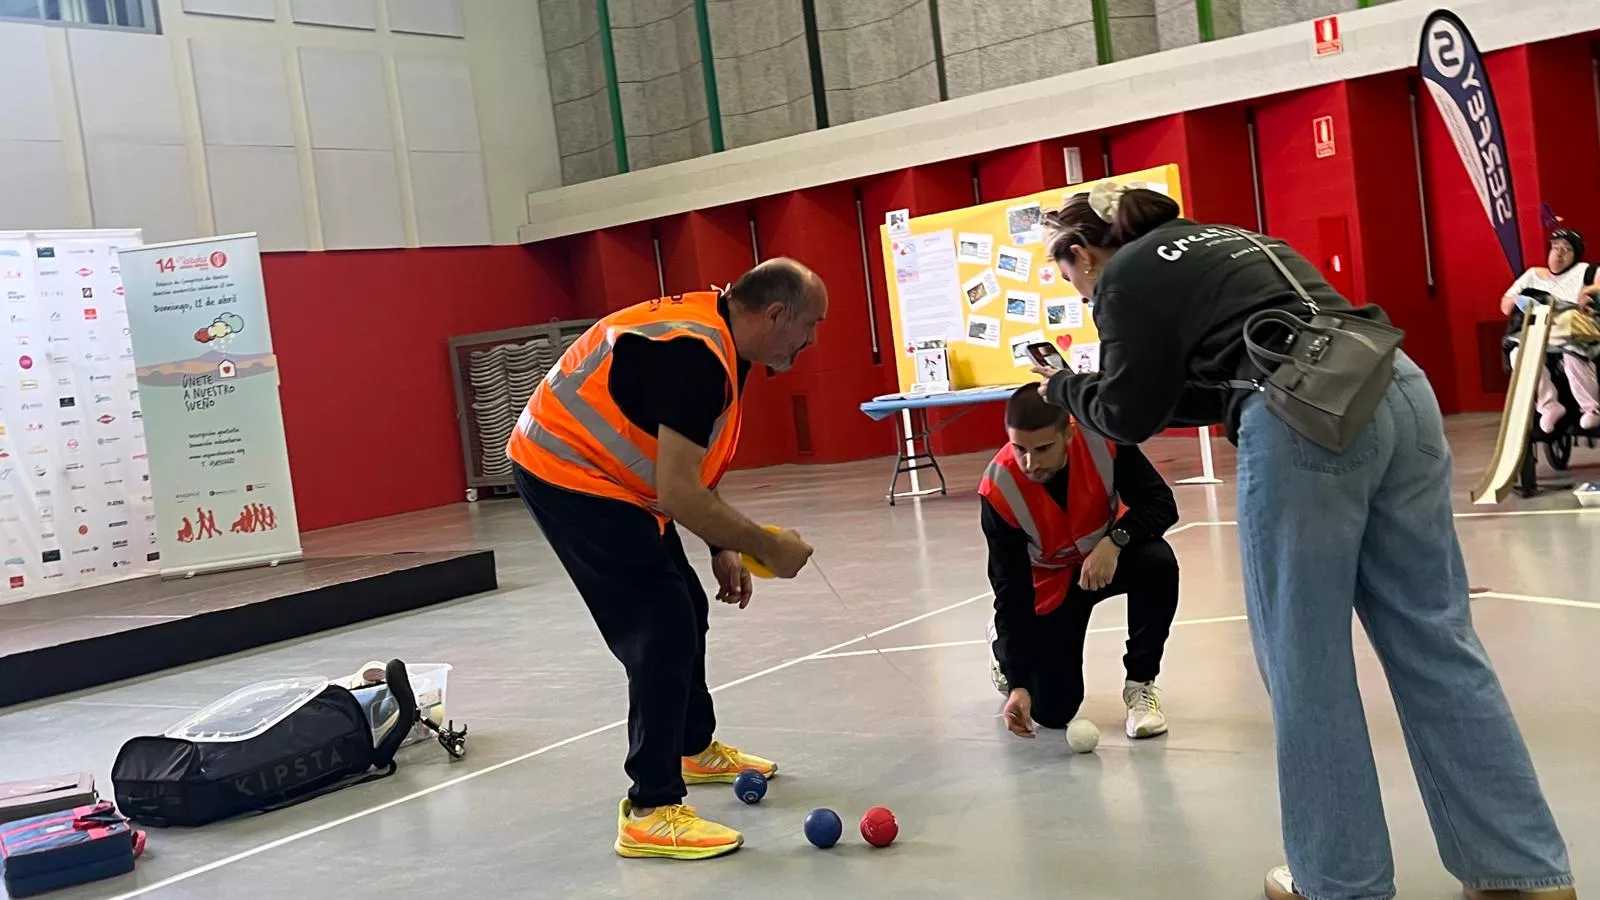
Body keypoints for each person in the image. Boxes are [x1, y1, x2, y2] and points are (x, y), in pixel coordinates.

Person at [1031, 182, 1575, 900]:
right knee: (1438, 641)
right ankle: (1519, 870)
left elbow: (1126, 414)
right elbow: (1192, 391)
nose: (1076, 291)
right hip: (1397, 389)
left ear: (1081, 252)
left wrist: (1066, 387)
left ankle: (1338, 879)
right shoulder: (1230, 237)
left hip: (1303, 419)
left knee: (1305, 664)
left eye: (1068, 276)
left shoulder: (1125, 276)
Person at [505, 259, 826, 860]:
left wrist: (720, 541)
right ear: (776, 314)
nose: (810, 342)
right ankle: (651, 809)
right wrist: (767, 547)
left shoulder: (726, 341)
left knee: (687, 607)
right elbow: (679, 492)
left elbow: (682, 461)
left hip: (617, 478)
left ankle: (690, 745)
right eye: (809, 326)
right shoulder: (696, 357)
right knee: (661, 625)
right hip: (568, 473)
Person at [981, 384, 1180, 741]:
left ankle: (1140, 686)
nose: (1031, 463)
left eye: (1043, 448)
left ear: (1069, 433)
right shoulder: (998, 488)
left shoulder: (1103, 440)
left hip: (1106, 561)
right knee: (1052, 712)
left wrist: (1115, 541)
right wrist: (1019, 682)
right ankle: (1002, 650)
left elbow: (1161, 504)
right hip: (1051, 586)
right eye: (1019, 449)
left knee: (1157, 562)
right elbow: (1011, 590)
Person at [1500, 228, 1600, 433]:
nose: (1559, 252)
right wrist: (1518, 301)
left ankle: (1591, 409)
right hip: (1537, 334)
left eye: (1567, 249)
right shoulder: (1533, 275)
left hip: (1572, 332)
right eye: (1556, 247)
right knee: (1518, 354)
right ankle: (1548, 406)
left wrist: (1588, 291)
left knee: (1572, 354)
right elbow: (1505, 303)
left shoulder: (1586, 270)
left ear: (1575, 254)